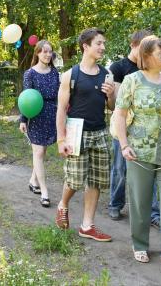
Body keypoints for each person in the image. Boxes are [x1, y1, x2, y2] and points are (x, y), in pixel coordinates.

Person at [112, 36, 161, 273]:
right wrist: (124, 145)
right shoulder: (131, 80)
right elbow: (119, 114)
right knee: (140, 203)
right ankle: (140, 243)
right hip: (139, 152)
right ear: (146, 56)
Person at [54, 28, 114, 241]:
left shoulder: (107, 74)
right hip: (76, 131)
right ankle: (63, 204)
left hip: (99, 132)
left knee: (96, 180)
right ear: (85, 46)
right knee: (75, 178)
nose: (102, 47)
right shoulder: (71, 75)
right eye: (98, 43)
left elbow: (113, 107)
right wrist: (61, 139)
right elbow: (61, 109)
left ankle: (87, 226)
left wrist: (111, 94)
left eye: (103, 43)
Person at [108, 30, 161, 226]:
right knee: (120, 168)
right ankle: (115, 204)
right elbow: (115, 105)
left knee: (151, 170)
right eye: (144, 47)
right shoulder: (118, 67)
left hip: (148, 129)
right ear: (133, 45)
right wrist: (110, 95)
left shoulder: (152, 69)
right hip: (123, 127)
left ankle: (153, 213)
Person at [19, 40, 60, 208]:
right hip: (36, 115)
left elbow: (60, 94)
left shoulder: (55, 72)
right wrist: (23, 119)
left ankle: (32, 180)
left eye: (50, 51)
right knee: (38, 151)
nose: (47, 54)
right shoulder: (30, 74)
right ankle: (44, 191)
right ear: (37, 53)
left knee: (42, 152)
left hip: (52, 113)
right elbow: (27, 98)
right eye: (44, 52)